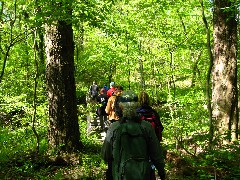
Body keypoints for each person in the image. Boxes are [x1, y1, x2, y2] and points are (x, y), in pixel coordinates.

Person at [102, 90, 165, 180]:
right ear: (137, 106)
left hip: (120, 175)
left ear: (121, 106)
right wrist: (161, 172)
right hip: (143, 175)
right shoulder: (146, 127)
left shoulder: (114, 128)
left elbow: (105, 155)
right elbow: (156, 154)